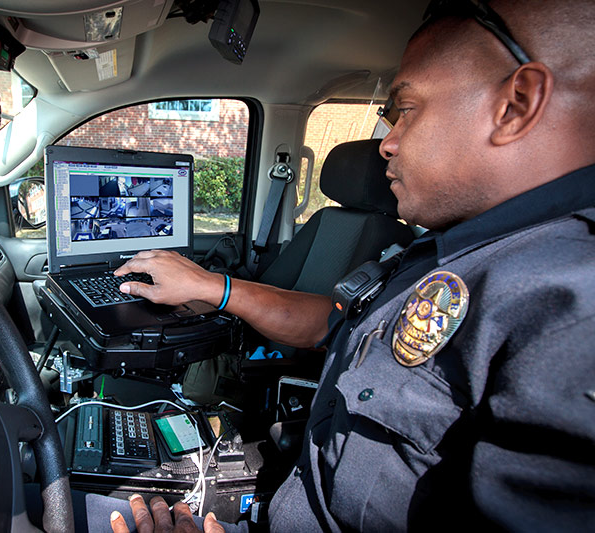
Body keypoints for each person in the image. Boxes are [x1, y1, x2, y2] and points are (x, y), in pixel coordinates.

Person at [97, 0, 595, 530]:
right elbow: (332, 323)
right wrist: (215, 287)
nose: (389, 143)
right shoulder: (447, 252)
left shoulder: (569, 309)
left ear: (515, 104)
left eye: (407, 109)